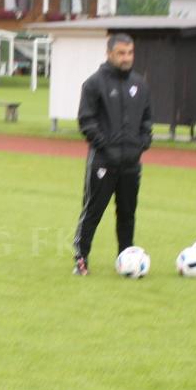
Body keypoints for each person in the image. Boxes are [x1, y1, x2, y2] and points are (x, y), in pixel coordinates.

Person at [71, 33, 152, 275]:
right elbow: (86, 121)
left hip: (131, 163)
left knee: (127, 214)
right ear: (109, 54)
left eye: (130, 53)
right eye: (121, 53)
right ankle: (81, 258)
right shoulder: (94, 84)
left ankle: (126, 259)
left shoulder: (140, 84)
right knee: (93, 211)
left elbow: (147, 119)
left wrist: (142, 143)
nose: (126, 58)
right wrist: (104, 145)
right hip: (103, 162)